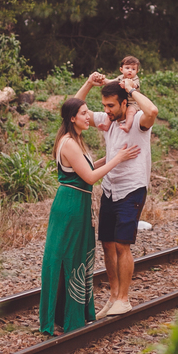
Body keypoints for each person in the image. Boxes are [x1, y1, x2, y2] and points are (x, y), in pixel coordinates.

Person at [39, 97, 140, 336]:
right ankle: (61, 317)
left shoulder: (77, 140)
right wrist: (117, 160)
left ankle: (71, 315)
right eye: (84, 113)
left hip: (79, 204)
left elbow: (88, 168)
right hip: (70, 205)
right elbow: (91, 178)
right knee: (66, 257)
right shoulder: (69, 143)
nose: (89, 116)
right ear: (72, 118)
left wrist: (112, 156)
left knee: (78, 258)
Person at [75, 71, 158, 316]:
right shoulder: (108, 120)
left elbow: (152, 111)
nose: (107, 110)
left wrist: (131, 90)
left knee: (123, 245)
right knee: (107, 244)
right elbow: (73, 109)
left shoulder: (140, 121)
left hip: (132, 188)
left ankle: (124, 298)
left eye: (111, 105)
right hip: (110, 188)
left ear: (124, 102)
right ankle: (113, 297)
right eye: (104, 105)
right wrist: (89, 83)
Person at [104, 56, 142, 133]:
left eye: (133, 69)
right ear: (121, 69)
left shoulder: (135, 79)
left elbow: (135, 85)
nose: (130, 71)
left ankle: (127, 126)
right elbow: (111, 82)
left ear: (137, 71)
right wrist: (103, 80)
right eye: (127, 68)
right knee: (112, 111)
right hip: (122, 102)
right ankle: (106, 125)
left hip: (133, 102)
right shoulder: (120, 77)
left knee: (130, 112)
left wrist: (129, 85)